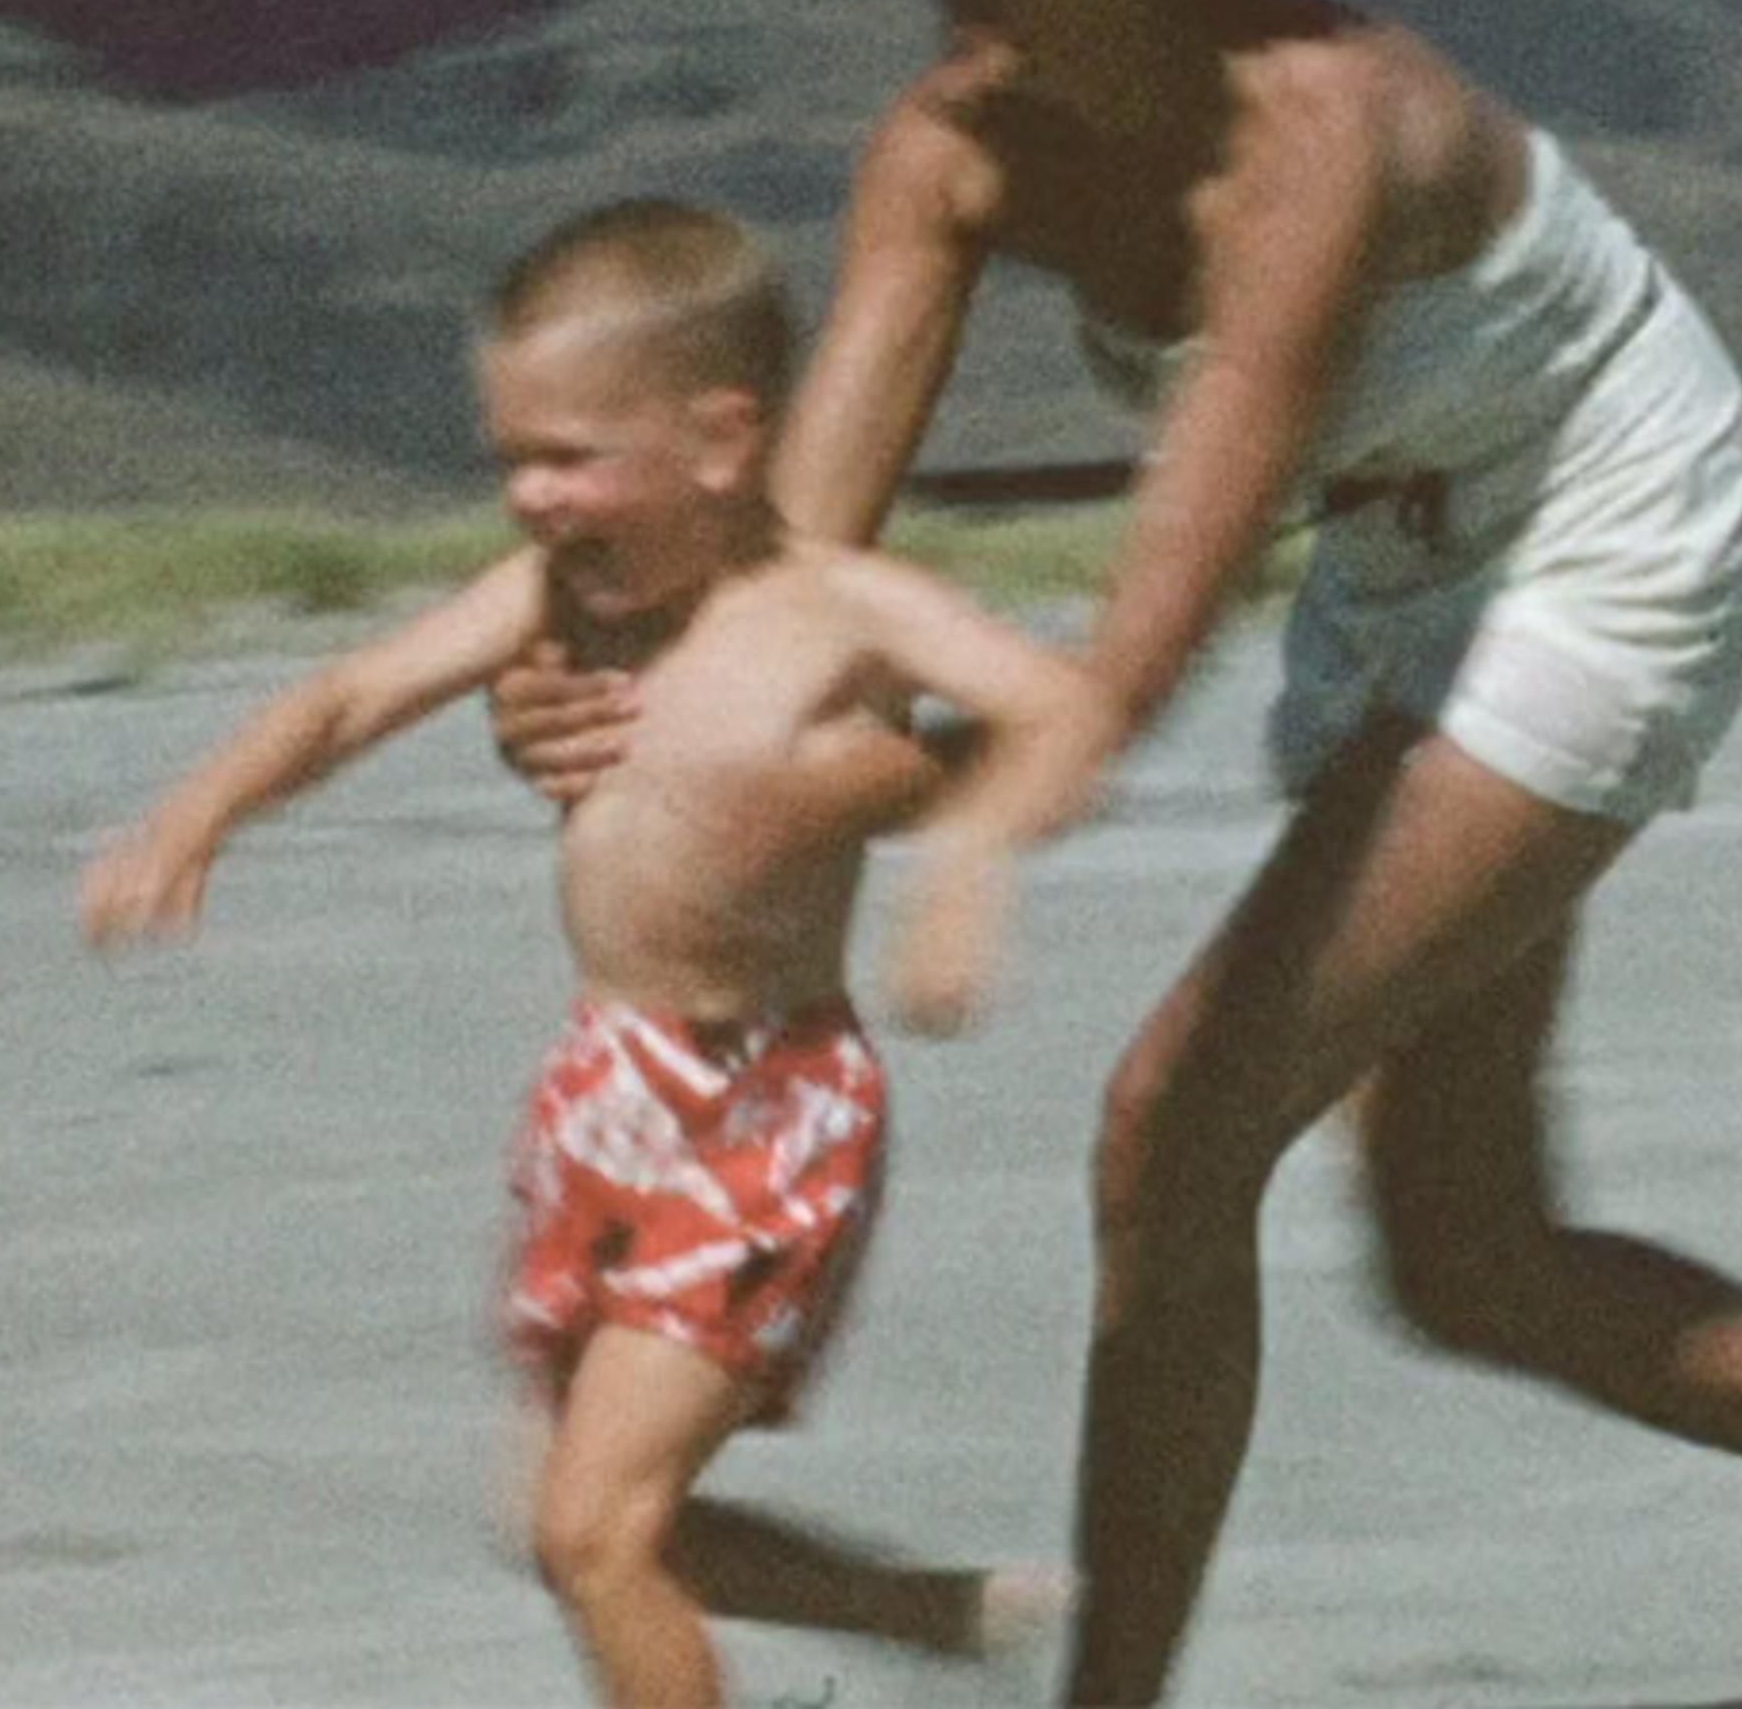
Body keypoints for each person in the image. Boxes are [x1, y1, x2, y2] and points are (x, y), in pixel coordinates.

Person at [488, 0, 1742, 1709]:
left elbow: (1163, 607)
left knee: (1175, 1122)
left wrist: (957, 819)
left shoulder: (1322, 144)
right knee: (1468, 1255)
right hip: (1410, 549)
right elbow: (786, 567)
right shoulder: (952, 153)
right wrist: (611, 688)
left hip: (1616, 532)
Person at [84, 198, 1116, 1707]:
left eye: (572, 456)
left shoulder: (839, 614)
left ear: (719, 440)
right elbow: (353, 695)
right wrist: (199, 812)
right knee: (561, 1519)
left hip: (767, 1104)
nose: (534, 498)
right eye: (512, 459)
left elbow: (1066, 708)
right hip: (608, 1087)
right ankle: (915, 1610)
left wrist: (965, 869)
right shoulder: (552, 602)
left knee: (600, 1530)